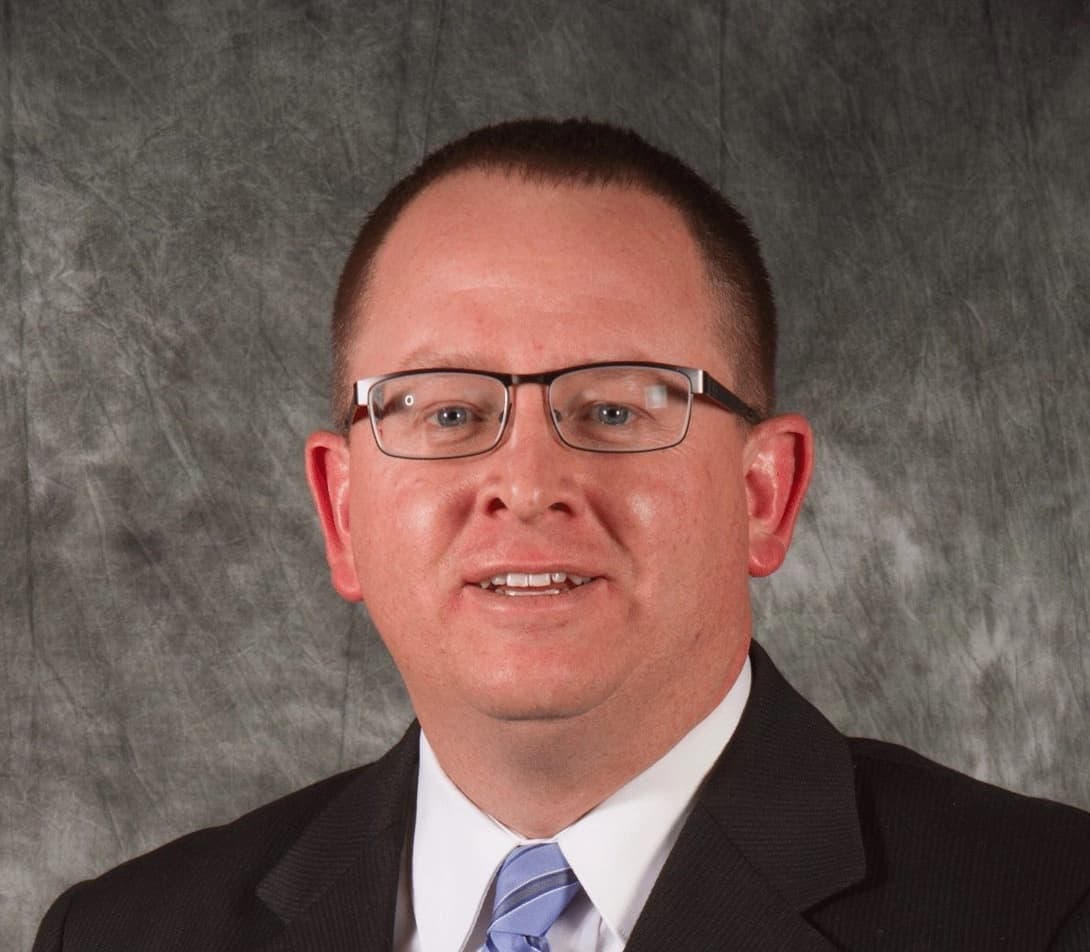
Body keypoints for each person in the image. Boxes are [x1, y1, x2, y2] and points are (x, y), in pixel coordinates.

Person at [34, 118, 1090, 952]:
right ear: (341, 510)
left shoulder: (1045, 912)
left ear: (765, 495)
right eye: (446, 411)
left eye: (619, 409)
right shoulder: (122, 933)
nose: (528, 484)